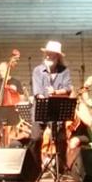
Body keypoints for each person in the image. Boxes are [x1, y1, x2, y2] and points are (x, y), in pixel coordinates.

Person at [27, 41, 74, 174]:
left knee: (61, 139)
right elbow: (38, 92)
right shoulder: (38, 71)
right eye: (47, 54)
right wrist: (46, 96)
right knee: (36, 138)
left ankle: (60, 170)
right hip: (41, 108)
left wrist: (56, 92)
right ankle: (34, 169)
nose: (48, 56)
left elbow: (68, 89)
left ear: (57, 56)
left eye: (51, 54)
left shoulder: (64, 71)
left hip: (57, 108)